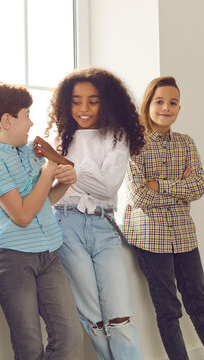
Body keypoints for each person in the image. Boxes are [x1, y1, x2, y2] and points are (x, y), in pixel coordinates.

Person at [123, 76, 204, 359]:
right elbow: (138, 197)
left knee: (201, 307)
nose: (166, 107)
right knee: (168, 311)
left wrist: (160, 184)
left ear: (179, 108)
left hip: (185, 236)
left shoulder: (186, 143)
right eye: (159, 101)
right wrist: (180, 189)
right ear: (148, 104)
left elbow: (199, 186)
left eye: (172, 102)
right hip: (150, 240)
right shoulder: (133, 144)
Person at [0, 80, 82, 360]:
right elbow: (22, 215)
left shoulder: (29, 153)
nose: (31, 123)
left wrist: (64, 183)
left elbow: (40, 203)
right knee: (29, 347)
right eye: (26, 116)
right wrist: (49, 171)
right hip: (13, 258)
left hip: (48, 253)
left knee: (70, 335)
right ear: (7, 121)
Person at [45, 67, 145, 359]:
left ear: (108, 101)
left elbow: (107, 186)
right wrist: (66, 168)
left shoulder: (117, 136)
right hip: (64, 224)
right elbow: (46, 187)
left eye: (93, 100)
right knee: (92, 317)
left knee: (119, 317)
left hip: (103, 226)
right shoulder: (59, 137)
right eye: (76, 101)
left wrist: (70, 169)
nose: (83, 108)